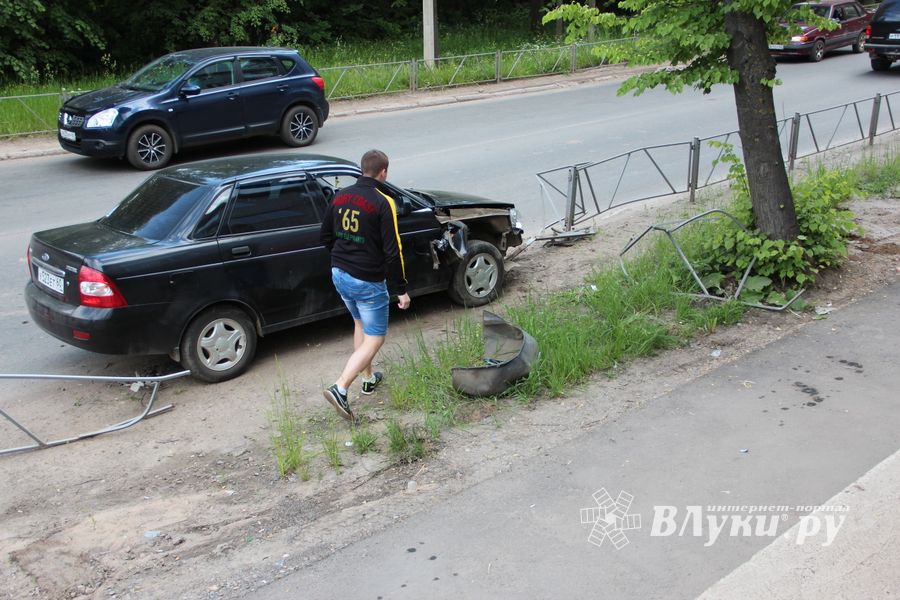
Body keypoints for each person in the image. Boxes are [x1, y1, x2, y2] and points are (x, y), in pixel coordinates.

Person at [320, 149, 411, 421]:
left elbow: (325, 235)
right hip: (367, 279)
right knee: (376, 336)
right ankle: (340, 387)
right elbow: (393, 250)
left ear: (362, 170)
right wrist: (401, 289)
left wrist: (344, 256)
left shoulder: (339, 196)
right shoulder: (384, 202)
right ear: (383, 172)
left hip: (339, 273)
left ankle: (368, 378)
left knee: (360, 324)